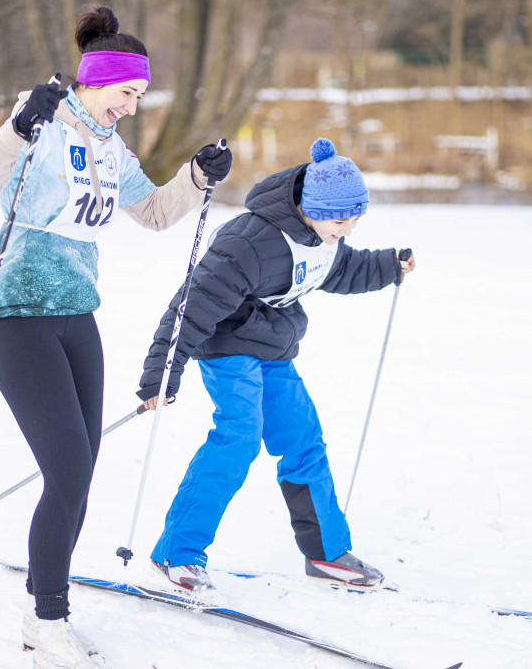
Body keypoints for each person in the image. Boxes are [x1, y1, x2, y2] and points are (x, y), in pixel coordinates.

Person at [0, 4, 231, 669]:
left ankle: (42, 606)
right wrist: (16, 131)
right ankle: (47, 617)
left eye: (140, 97)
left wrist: (196, 177)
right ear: (96, 83)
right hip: (18, 315)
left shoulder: (111, 151)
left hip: (78, 318)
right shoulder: (42, 122)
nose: (131, 108)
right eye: (127, 95)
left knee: (80, 474)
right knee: (68, 468)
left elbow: (157, 215)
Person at [137, 137, 415, 595]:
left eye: (355, 218)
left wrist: (388, 265)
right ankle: (177, 555)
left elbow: (341, 269)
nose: (346, 229)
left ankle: (326, 553)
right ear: (311, 206)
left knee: (304, 439)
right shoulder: (250, 243)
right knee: (239, 438)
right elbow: (193, 306)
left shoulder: (325, 237)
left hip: (271, 346)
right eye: (339, 218)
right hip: (225, 347)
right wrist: (162, 371)